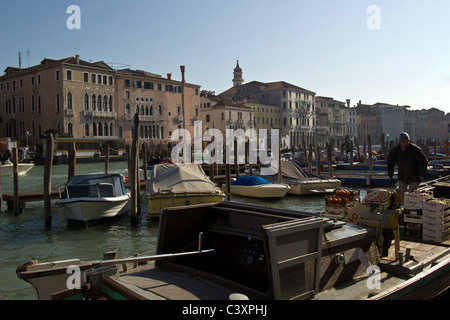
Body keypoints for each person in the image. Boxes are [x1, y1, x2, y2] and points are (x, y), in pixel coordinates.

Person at [387, 132, 428, 205]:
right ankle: (403, 212)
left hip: (415, 177)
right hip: (402, 176)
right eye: (403, 142)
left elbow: (424, 162)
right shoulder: (395, 151)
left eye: (406, 142)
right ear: (400, 142)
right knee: (402, 197)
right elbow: (390, 164)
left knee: (412, 197)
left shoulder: (415, 149)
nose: (405, 143)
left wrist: (421, 175)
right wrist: (390, 176)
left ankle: (412, 211)